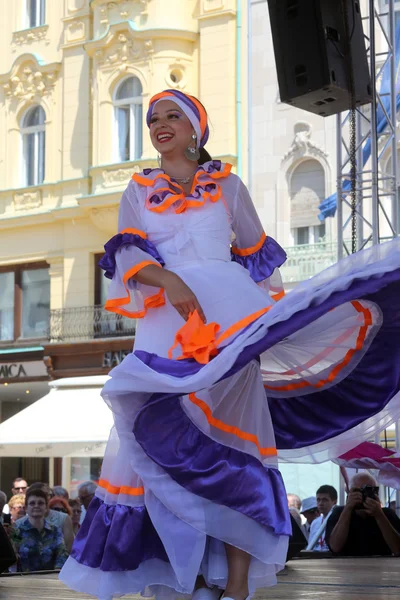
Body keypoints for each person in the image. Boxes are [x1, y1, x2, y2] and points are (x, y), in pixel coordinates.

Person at [60, 89, 400, 600]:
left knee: (237, 440)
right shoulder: (139, 189)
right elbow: (128, 252)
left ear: (197, 127)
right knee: (158, 434)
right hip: (168, 323)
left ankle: (237, 581)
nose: (160, 124)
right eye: (153, 118)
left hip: (232, 318)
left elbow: (260, 258)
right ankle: (188, 572)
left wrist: (275, 322)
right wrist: (170, 282)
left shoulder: (228, 186)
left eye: (173, 115)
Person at [326, 472, 400, 556]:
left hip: (379, 566)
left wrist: (379, 515)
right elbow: (335, 547)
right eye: (358, 491)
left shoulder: (387, 514)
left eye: (369, 490)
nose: (363, 495)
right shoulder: (339, 513)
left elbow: (398, 549)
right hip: (347, 567)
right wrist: (348, 509)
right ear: (349, 493)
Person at [9, 488, 68, 572]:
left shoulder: (55, 531)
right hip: (23, 581)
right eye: (32, 503)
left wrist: (55, 575)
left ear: (46, 508)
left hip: (50, 580)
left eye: (40, 503)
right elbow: (12, 557)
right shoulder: (17, 531)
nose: (36, 506)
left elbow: (62, 555)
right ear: (26, 508)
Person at [16, 483, 74, 553]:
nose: (36, 505)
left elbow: (68, 548)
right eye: (32, 503)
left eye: (48, 495)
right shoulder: (18, 524)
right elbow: (15, 549)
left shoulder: (63, 519)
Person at [306, 485, 337, 552]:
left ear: (334, 502)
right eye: (318, 500)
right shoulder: (315, 523)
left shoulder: (339, 521)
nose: (320, 503)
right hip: (316, 558)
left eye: (325, 500)